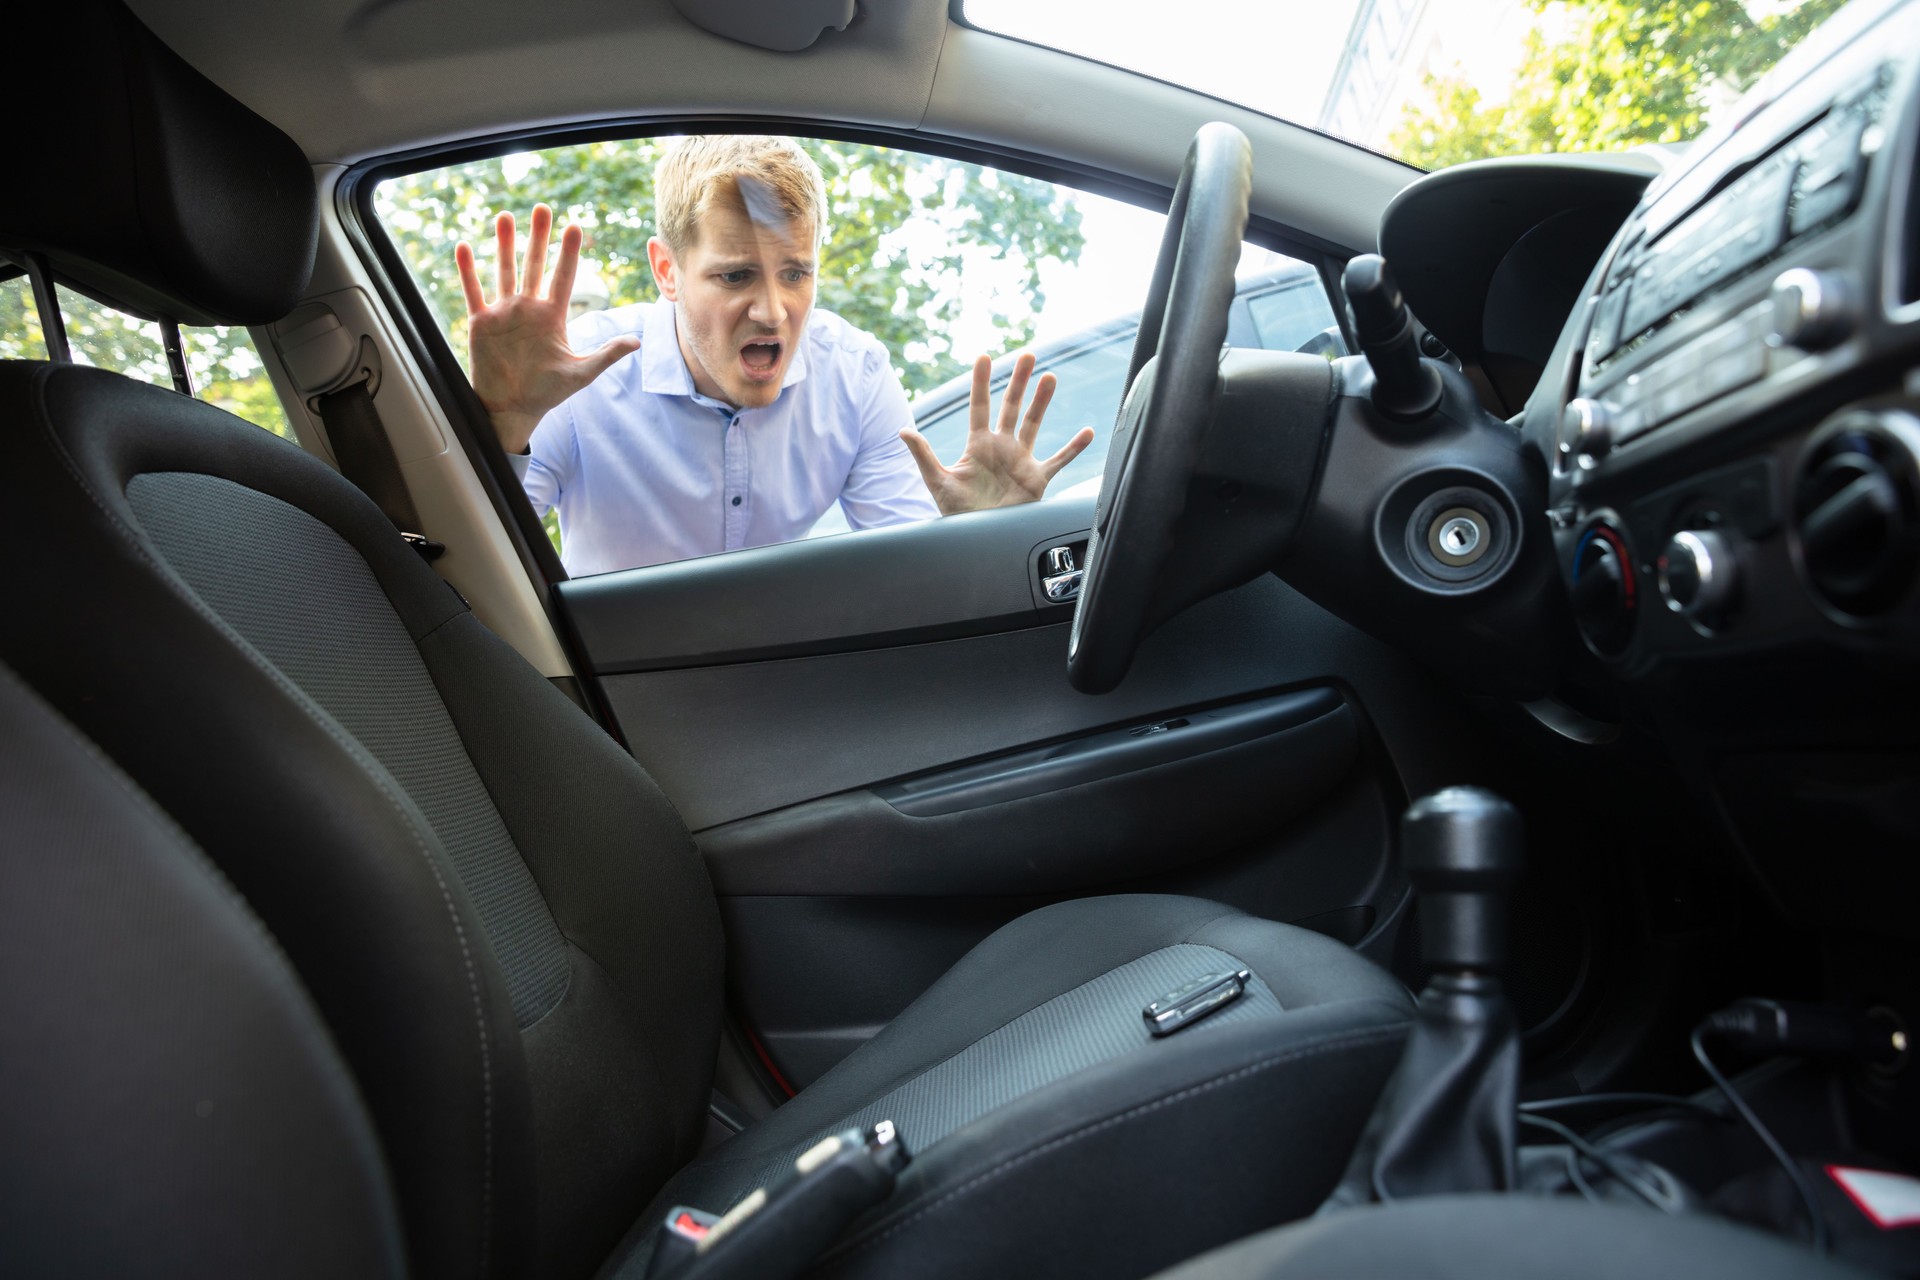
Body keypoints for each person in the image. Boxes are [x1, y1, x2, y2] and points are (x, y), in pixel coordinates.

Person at [454, 135, 1094, 576]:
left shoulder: (855, 374)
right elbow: (476, 569)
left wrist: (979, 541)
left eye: (795, 273)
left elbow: (914, 571)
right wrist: (505, 431)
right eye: (736, 277)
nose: (772, 311)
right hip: (609, 692)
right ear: (667, 271)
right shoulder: (576, 375)